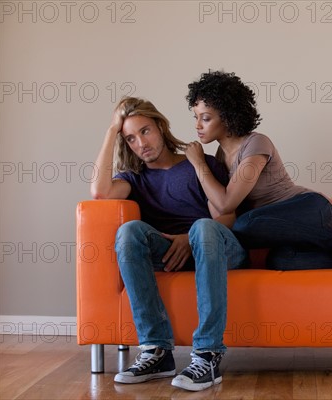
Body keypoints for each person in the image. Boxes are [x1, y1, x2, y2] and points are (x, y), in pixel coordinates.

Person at [90, 96, 247, 392]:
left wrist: (189, 238)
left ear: (160, 127)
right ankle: (156, 350)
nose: (141, 143)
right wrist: (112, 129)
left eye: (145, 131)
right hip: (171, 254)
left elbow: (226, 219)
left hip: (218, 249)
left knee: (203, 228)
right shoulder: (135, 179)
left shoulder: (199, 163)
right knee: (128, 232)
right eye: (130, 138)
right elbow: (100, 193)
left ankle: (207, 354)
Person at [183, 71, 332, 270]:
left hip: (311, 210)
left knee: (246, 224)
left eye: (206, 118)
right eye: (196, 117)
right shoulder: (221, 158)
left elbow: (226, 203)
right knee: (280, 261)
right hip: (282, 231)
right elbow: (224, 218)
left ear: (228, 116)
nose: (197, 126)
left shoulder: (256, 143)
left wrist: (199, 164)